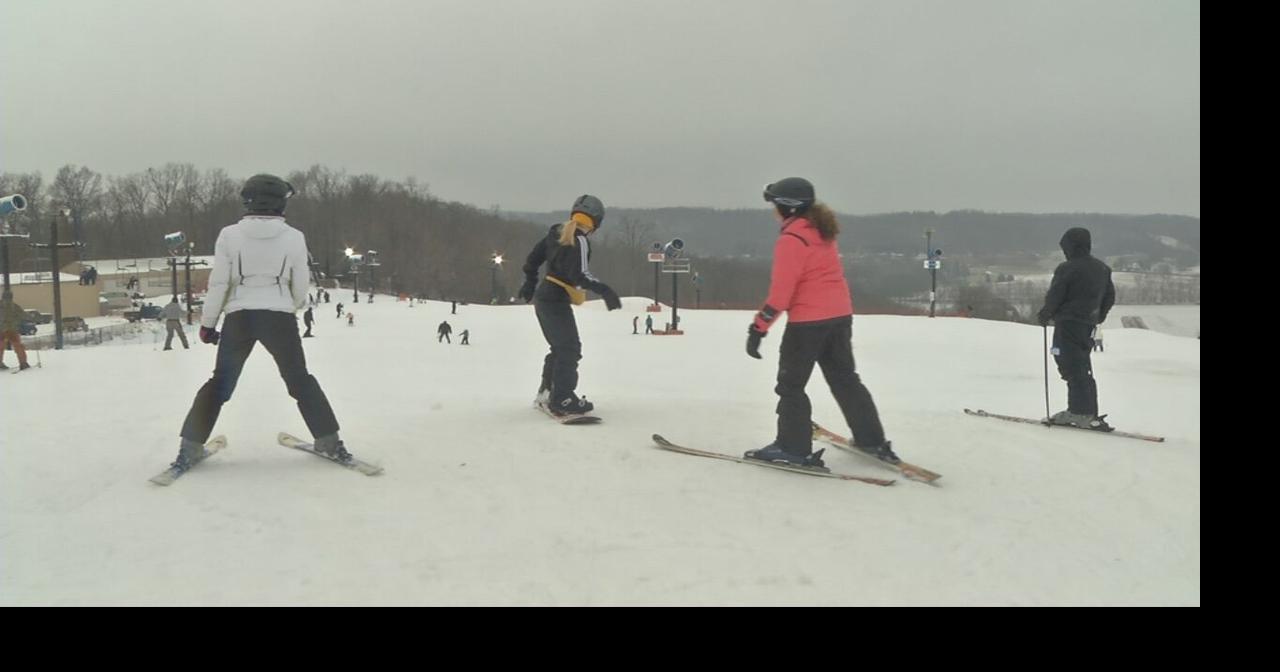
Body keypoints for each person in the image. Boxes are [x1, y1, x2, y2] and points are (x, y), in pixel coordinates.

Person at [170, 173, 349, 472]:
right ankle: (329, 442)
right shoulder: (294, 237)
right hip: (278, 315)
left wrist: (209, 323)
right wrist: (287, 305)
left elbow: (219, 283)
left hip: (239, 317)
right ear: (280, 203)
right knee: (299, 380)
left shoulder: (229, 235)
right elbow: (301, 282)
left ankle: (189, 448)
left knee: (220, 383)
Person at [743, 177, 897, 468]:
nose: (772, 211)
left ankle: (792, 448)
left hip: (807, 324)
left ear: (787, 209)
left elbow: (781, 295)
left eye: (774, 205)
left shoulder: (792, 240)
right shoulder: (821, 232)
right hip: (839, 318)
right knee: (845, 379)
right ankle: (871, 439)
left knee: (791, 385)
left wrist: (758, 328)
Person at [518, 194, 622, 416]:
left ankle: (547, 392)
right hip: (555, 299)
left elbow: (532, 260)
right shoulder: (580, 240)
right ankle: (563, 398)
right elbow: (580, 275)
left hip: (544, 296)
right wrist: (605, 291)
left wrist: (529, 283)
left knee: (560, 347)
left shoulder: (556, 232)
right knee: (570, 349)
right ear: (597, 221)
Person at [1037, 227, 1116, 430]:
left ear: (1071, 246)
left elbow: (1056, 294)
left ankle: (1079, 412)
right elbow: (1109, 297)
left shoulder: (1068, 268)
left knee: (1069, 364)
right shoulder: (1102, 269)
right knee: (1082, 366)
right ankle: (1089, 412)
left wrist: (1046, 313)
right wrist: (1098, 317)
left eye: (1065, 247)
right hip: (1087, 325)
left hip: (1068, 324)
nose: (1065, 251)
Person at [0, 291, 30, 370]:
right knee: (18, 346)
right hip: (11, 329)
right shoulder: (15, 306)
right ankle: (23, 363)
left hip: (5, 329)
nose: (7, 300)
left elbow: (22, 315)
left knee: (1, 346)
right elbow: (23, 315)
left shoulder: (14, 307)